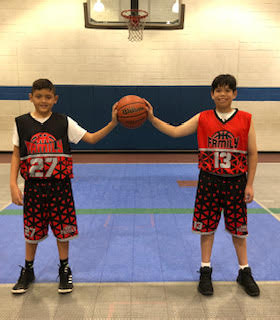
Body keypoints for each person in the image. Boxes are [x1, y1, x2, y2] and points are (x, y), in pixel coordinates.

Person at [145, 74, 260, 297]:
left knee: (239, 230)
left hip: (236, 181)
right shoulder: (203, 117)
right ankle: (205, 269)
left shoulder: (246, 118)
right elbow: (176, 131)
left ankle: (244, 271)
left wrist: (250, 184)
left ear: (234, 94)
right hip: (209, 180)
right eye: (218, 90)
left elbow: (253, 153)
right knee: (206, 228)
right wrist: (151, 118)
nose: (223, 94)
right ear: (212, 94)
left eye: (228, 90)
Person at [10, 79, 118, 294]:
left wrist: (113, 122)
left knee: (63, 232)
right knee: (32, 233)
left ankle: (64, 269)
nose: (43, 100)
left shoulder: (64, 122)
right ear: (30, 97)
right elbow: (15, 155)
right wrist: (13, 184)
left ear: (55, 99)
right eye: (39, 96)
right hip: (34, 187)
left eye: (48, 97)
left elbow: (92, 138)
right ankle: (28, 270)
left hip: (60, 187)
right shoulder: (21, 123)